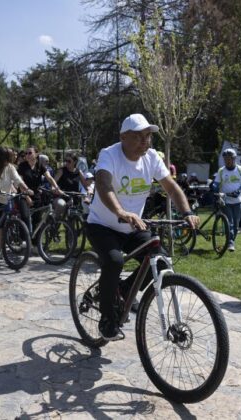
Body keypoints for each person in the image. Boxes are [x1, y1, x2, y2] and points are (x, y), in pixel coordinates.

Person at [87, 113, 199, 341]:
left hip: (131, 227)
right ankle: (108, 319)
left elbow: (171, 187)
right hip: (102, 225)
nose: (145, 141)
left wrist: (186, 212)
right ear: (123, 137)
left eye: (148, 136)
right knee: (114, 261)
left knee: (160, 258)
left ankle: (125, 291)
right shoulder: (109, 155)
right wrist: (121, 212)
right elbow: (103, 184)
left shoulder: (152, 158)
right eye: (139, 137)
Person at [211, 149, 241, 251]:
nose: (227, 161)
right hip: (225, 200)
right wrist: (213, 186)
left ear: (234, 159)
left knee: (236, 225)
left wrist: (239, 191)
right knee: (229, 223)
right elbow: (216, 183)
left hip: (238, 200)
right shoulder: (221, 170)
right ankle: (230, 243)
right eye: (225, 159)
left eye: (229, 159)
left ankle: (230, 241)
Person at [18, 145, 60, 231]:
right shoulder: (22, 166)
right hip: (23, 194)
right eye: (26, 153)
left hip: (36, 194)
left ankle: (35, 241)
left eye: (30, 153)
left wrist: (56, 187)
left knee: (37, 219)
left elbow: (49, 178)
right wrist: (27, 197)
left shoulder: (40, 166)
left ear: (36, 154)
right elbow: (20, 183)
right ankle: (24, 239)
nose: (27, 155)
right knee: (25, 216)